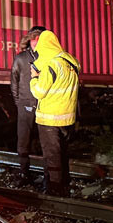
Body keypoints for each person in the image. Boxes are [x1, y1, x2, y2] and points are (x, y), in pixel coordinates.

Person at [29, 29, 80, 197]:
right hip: (67, 119)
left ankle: (55, 191)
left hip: (49, 120)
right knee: (62, 154)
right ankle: (64, 185)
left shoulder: (51, 65)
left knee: (52, 157)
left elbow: (39, 92)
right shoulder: (71, 62)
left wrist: (34, 78)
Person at [10, 24, 47, 185]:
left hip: (44, 105)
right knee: (23, 142)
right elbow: (14, 82)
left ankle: (48, 176)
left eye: (39, 39)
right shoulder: (20, 59)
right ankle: (24, 172)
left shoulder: (48, 59)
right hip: (26, 105)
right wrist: (20, 102)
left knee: (46, 142)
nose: (35, 42)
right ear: (29, 40)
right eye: (33, 38)